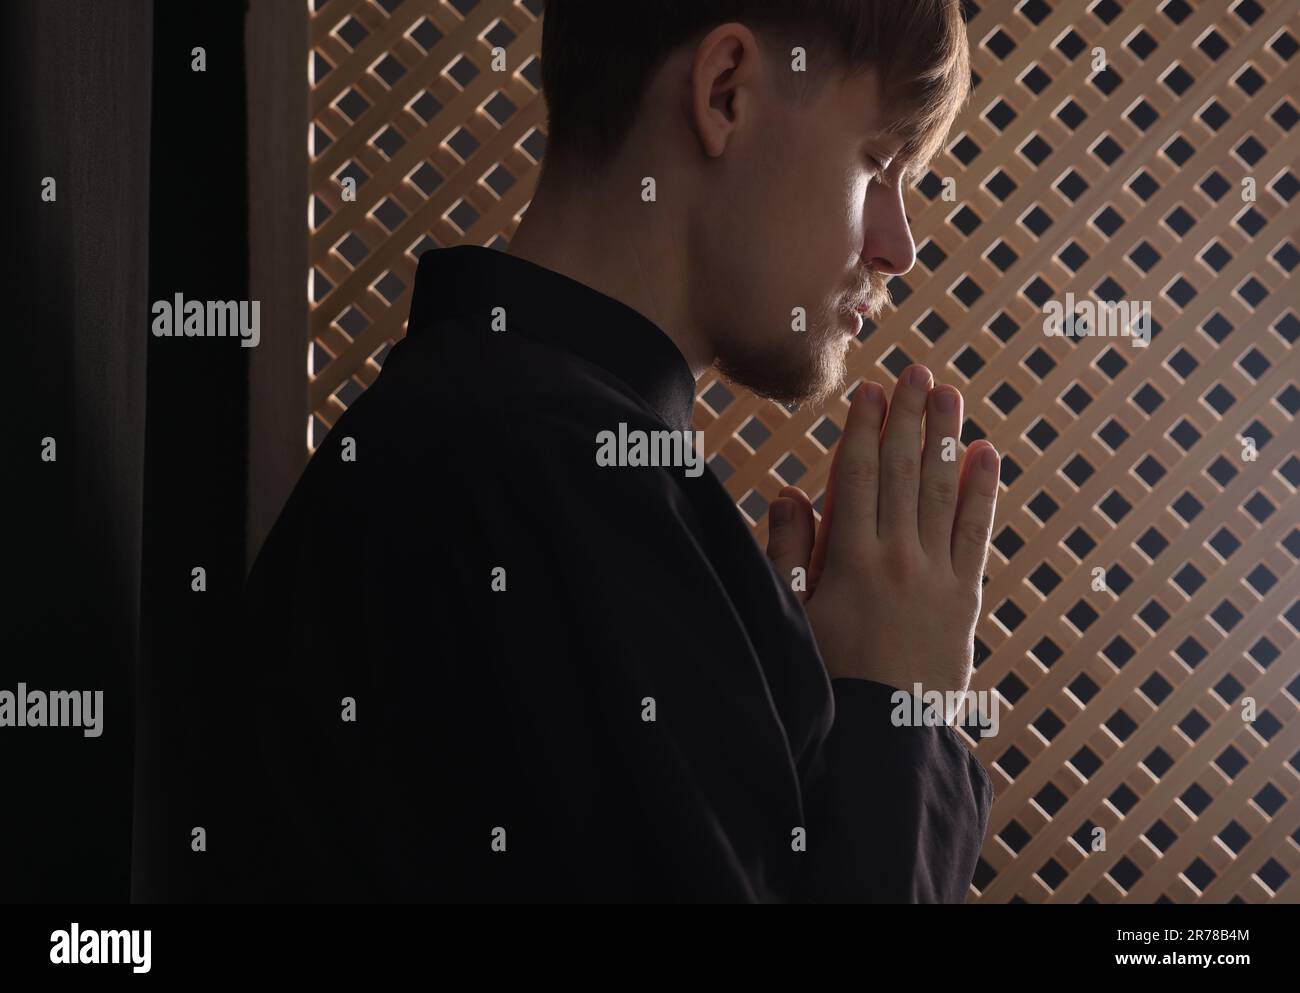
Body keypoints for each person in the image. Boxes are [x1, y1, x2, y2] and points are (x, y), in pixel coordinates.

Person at [211, 0, 998, 902]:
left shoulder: (512, 440)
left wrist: (806, 737)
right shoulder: (544, 470)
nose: (898, 247)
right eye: (880, 163)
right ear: (728, 91)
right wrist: (897, 716)